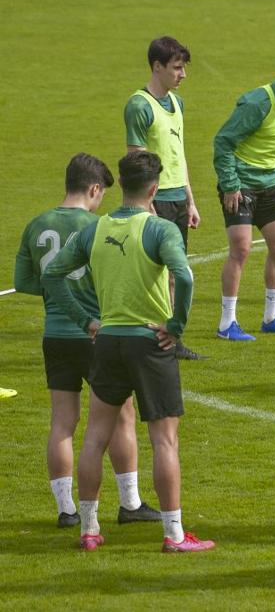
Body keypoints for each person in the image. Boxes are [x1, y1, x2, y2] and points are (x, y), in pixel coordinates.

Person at [42, 150, 213, 553]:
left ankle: (88, 528)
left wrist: (86, 321)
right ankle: (173, 535)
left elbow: (53, 275)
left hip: (108, 341)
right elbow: (184, 278)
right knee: (164, 441)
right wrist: (176, 326)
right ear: (154, 188)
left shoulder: (94, 230)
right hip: (150, 343)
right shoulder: (158, 230)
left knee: (95, 436)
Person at [14, 154, 160, 528]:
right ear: (95, 189)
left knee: (63, 421)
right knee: (122, 416)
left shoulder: (37, 225)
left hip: (55, 336)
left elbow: (27, 281)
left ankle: (65, 510)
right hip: (97, 334)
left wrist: (56, 298)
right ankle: (130, 503)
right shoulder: (96, 227)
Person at [213, 53, 275, 342]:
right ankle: (226, 323)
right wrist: (230, 185)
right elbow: (223, 141)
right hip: (240, 184)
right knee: (241, 249)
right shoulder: (259, 102)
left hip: (271, 185)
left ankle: (271, 317)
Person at [124, 36, 203, 360]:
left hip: (177, 200)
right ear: (157, 67)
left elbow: (178, 154)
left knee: (173, 271)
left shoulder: (177, 103)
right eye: (177, 68)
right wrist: (148, 205)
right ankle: (144, 336)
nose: (182, 74)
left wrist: (190, 200)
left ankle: (170, 338)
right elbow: (136, 160)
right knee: (151, 273)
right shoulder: (139, 105)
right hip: (153, 201)